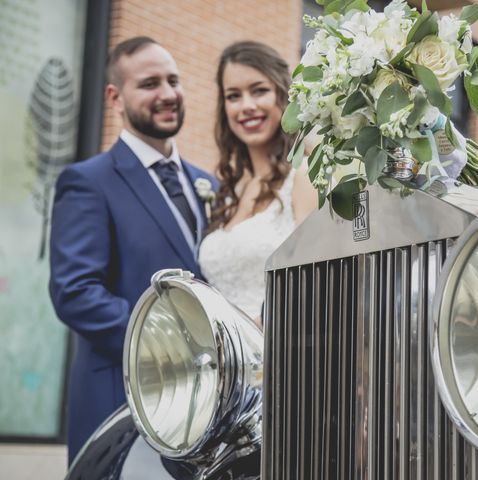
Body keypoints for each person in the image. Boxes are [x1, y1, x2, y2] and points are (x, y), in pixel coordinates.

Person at [48, 36, 218, 464]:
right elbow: (76, 292)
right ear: (114, 97)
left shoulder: (210, 184)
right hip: (123, 403)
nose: (167, 94)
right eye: (149, 84)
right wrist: (172, 346)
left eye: (173, 80)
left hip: (209, 414)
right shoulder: (88, 182)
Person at [198, 41, 316, 326]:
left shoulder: (305, 174)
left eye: (259, 90)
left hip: (282, 350)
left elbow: (316, 277)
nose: (247, 106)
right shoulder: (229, 191)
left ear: (283, 94)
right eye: (233, 96)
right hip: (222, 360)